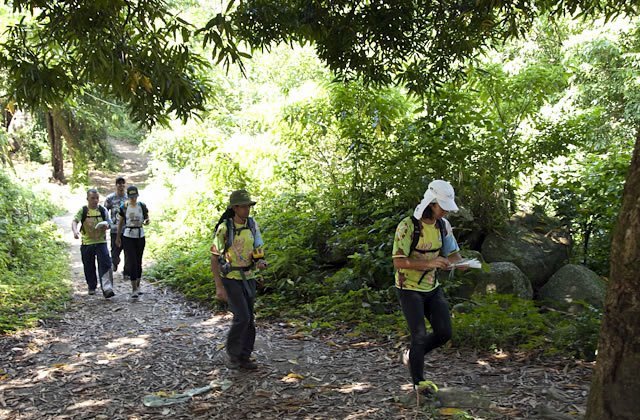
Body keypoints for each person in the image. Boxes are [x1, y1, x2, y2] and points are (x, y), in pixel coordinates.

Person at [392, 180, 465, 396]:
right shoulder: (408, 226)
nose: (445, 211)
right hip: (409, 288)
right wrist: (430, 263)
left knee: (444, 332)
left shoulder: (444, 226)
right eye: (442, 206)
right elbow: (398, 261)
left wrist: (461, 264)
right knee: (419, 335)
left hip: (432, 287)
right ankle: (419, 383)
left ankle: (413, 354)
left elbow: (453, 254)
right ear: (431, 204)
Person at [210, 189, 267, 370]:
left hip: (248, 277)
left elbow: (258, 247)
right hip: (231, 278)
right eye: (243, 207)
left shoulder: (252, 225)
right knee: (242, 317)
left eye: (248, 206)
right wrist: (219, 286)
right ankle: (233, 355)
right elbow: (214, 256)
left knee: (250, 318)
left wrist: (260, 262)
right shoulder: (225, 229)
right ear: (235, 208)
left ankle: (245, 356)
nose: (247, 210)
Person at [72, 188, 115, 298]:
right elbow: (75, 221)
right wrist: (75, 231)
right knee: (88, 266)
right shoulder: (83, 210)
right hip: (87, 243)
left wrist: (107, 226)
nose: (95, 200)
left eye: (97, 198)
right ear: (87, 199)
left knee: (106, 264)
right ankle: (91, 286)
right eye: (92, 198)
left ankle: (107, 288)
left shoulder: (103, 210)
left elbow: (110, 223)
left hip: (101, 242)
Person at [115, 185, 149, 299]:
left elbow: (146, 217)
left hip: (140, 235)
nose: (133, 199)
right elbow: (120, 223)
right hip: (128, 236)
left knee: (139, 261)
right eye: (131, 197)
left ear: (137, 196)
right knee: (132, 261)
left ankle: (138, 286)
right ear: (128, 196)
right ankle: (133, 288)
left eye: (135, 196)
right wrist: (118, 237)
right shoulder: (124, 207)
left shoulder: (142, 206)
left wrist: (147, 220)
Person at [103, 176, 128, 276]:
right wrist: (107, 223)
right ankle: (115, 262)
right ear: (116, 185)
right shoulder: (110, 198)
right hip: (114, 228)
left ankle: (127, 271)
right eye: (119, 184)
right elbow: (104, 212)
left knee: (128, 252)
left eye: (123, 183)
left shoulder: (128, 198)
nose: (121, 186)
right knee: (115, 252)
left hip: (127, 229)